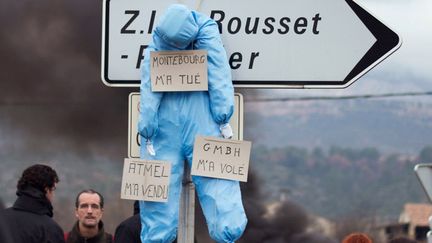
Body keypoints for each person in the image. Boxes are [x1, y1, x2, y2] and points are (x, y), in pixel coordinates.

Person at [138, 4, 247, 243]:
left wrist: (146, 124)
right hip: (203, 119)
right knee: (216, 179)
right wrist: (222, 114)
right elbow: (219, 76)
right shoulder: (207, 39)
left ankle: (157, 236)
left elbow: (149, 88)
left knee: (160, 179)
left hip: (167, 124)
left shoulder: (158, 45)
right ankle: (227, 228)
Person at [0, 164, 65, 243]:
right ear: (47, 190)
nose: (53, 195)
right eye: (53, 189)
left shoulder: (2, 219)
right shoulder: (50, 229)